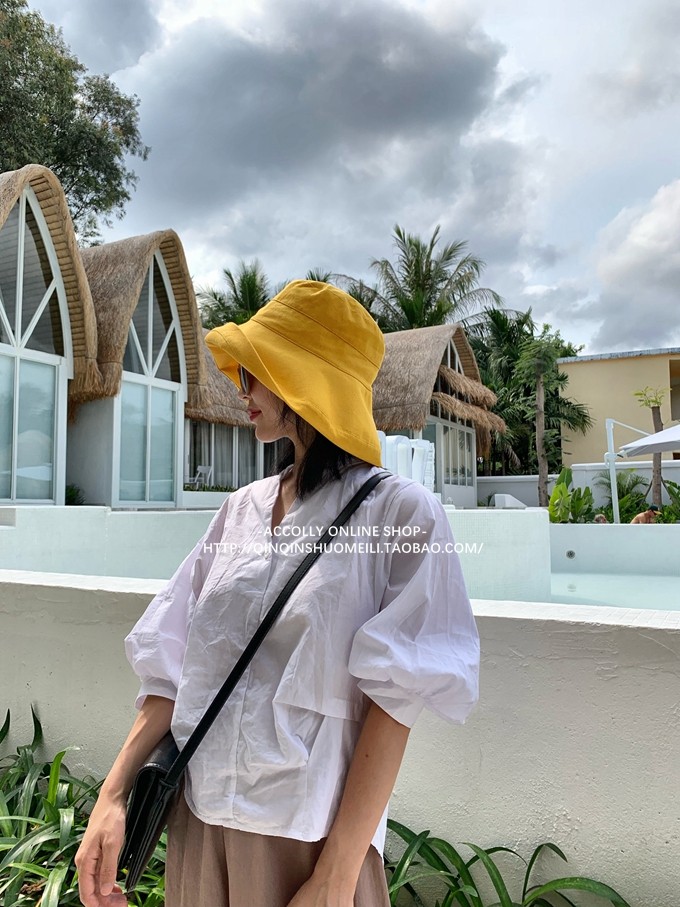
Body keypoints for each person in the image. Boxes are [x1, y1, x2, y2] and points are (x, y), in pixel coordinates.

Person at [75, 280, 480, 907]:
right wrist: (112, 795)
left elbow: (396, 701)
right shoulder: (239, 509)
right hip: (199, 825)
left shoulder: (402, 513)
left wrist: (336, 876)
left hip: (308, 842)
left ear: (303, 379)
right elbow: (172, 662)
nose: (242, 389)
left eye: (256, 371)